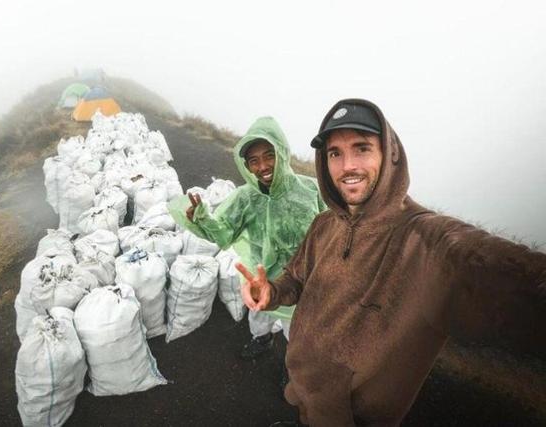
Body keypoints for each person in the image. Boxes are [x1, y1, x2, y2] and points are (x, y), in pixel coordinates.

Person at [237, 99, 546, 426]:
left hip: (352, 417)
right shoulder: (325, 225)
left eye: (362, 148)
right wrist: (271, 291)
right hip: (304, 385)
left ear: (390, 155)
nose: (347, 166)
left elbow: (499, 272)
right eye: (335, 153)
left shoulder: (425, 241)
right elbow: (296, 279)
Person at [168, 116, 325, 366]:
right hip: (258, 276)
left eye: (268, 155)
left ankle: (291, 365)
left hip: (300, 282)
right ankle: (261, 340)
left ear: (282, 153)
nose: (262, 166)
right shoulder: (244, 198)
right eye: (254, 161)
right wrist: (202, 219)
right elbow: (222, 233)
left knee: (294, 330)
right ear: (247, 166)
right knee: (259, 317)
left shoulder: (312, 191)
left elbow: (334, 232)